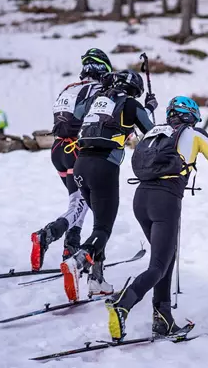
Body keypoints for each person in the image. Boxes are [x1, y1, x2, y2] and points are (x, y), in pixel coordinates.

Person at [105, 96, 208, 342]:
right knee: (159, 265)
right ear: (191, 115)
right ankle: (123, 304)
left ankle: (163, 318)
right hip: (165, 202)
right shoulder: (194, 134)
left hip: (140, 199)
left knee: (165, 259)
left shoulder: (153, 132)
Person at [60, 69, 157, 301]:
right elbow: (151, 132)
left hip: (80, 164)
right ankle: (78, 261)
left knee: (98, 223)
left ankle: (96, 280)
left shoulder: (96, 100)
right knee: (103, 228)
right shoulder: (131, 104)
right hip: (104, 167)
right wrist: (149, 107)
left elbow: (78, 113)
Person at [30, 48, 113, 272]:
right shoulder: (98, 89)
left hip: (58, 149)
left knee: (77, 202)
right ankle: (47, 234)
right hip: (80, 150)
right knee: (84, 203)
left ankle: (71, 247)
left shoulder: (68, 89)